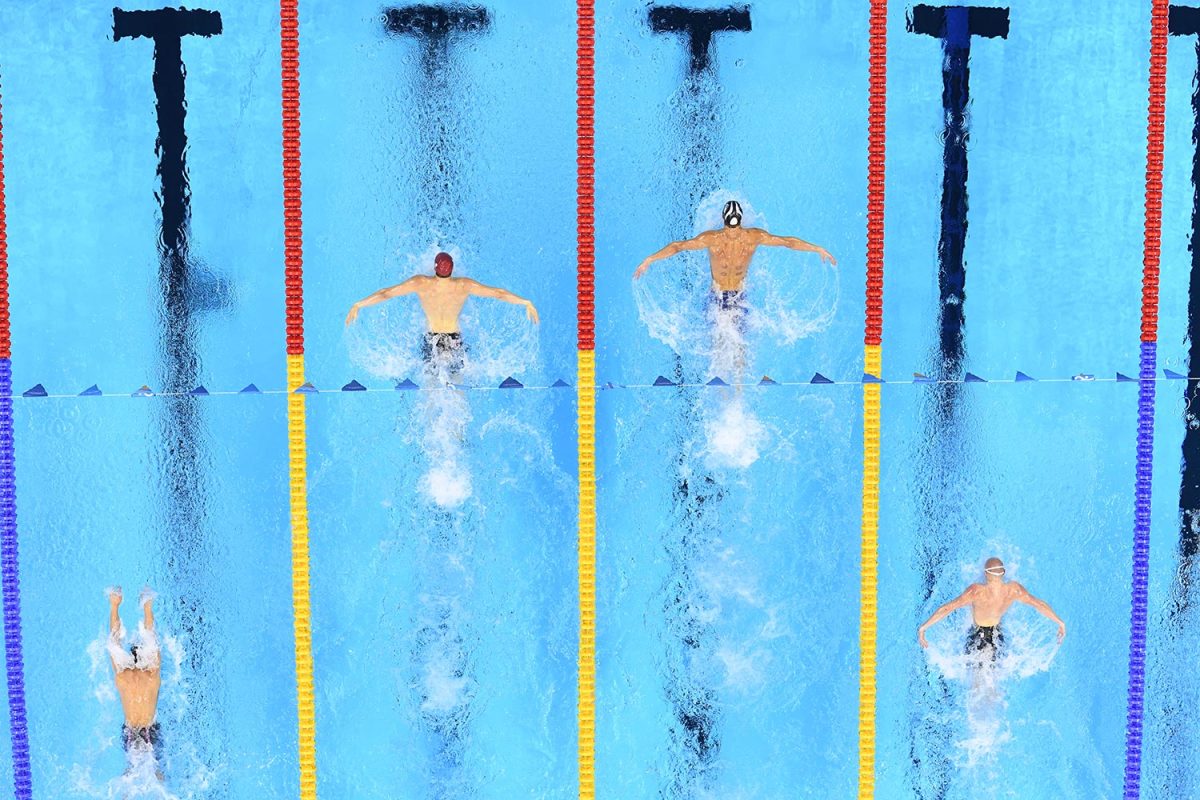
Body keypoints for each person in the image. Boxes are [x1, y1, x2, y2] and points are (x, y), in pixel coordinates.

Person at [633, 200, 836, 328]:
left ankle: (727, 388)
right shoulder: (752, 237)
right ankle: (736, 387)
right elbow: (787, 242)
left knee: (725, 343)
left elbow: (678, 246)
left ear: (723, 219)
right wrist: (817, 248)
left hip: (723, 295)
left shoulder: (712, 238)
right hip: (736, 295)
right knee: (734, 344)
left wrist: (650, 259)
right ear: (740, 219)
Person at [344, 252, 539, 376]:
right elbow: (499, 293)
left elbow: (385, 293)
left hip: (432, 340)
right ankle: (459, 436)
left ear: (434, 267)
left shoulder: (420, 283)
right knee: (458, 383)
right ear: (452, 268)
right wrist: (525, 302)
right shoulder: (464, 285)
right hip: (455, 339)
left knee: (430, 386)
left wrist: (359, 304)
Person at [918, 558, 1066, 661]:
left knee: (978, 678)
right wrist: (1060, 622)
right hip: (997, 634)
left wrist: (924, 627)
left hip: (978, 635)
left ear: (985, 574)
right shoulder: (1014, 590)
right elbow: (1039, 604)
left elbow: (947, 608)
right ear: (1003, 573)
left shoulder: (976, 591)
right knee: (993, 675)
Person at [106, 586, 163, 772]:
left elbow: (114, 642)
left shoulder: (123, 676)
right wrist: (148, 607)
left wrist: (114, 605)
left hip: (130, 731)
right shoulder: (152, 675)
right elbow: (151, 637)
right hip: (150, 730)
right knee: (156, 772)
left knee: (130, 771)